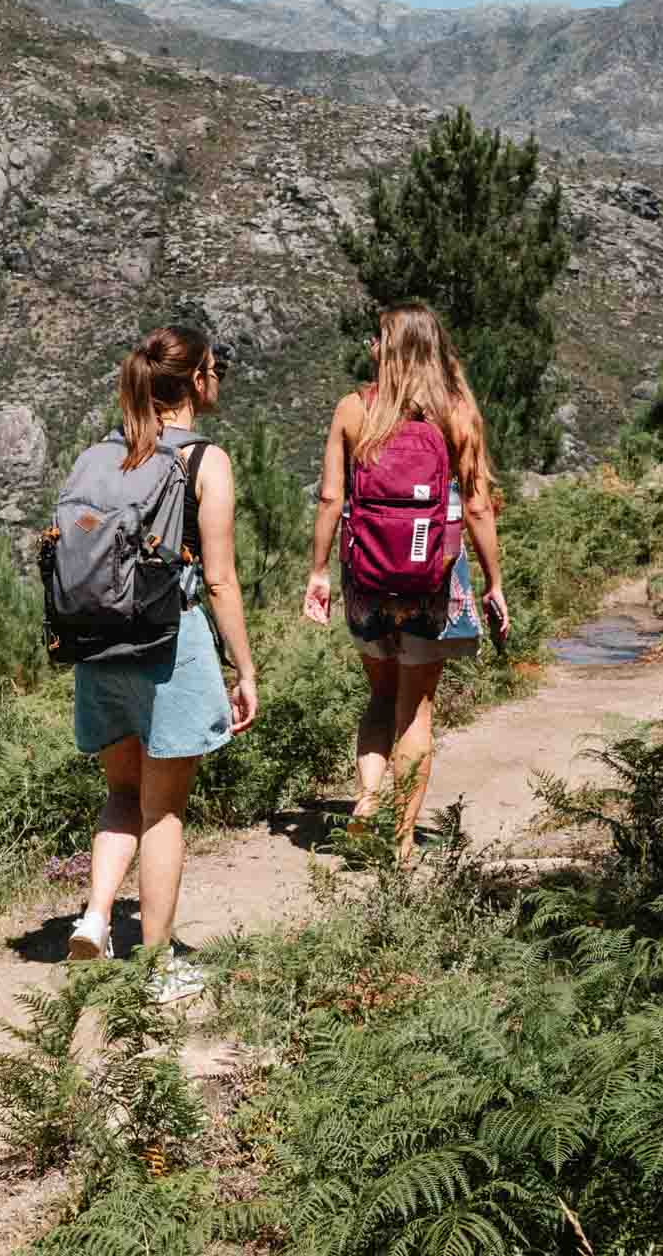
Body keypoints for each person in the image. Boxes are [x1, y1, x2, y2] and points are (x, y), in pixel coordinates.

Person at [64, 326, 259, 1003]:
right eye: (215, 369)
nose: (218, 378)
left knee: (121, 793)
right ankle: (156, 966)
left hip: (98, 645)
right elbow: (221, 581)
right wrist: (245, 670)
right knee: (163, 811)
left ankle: (95, 918)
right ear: (197, 381)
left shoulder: (102, 452)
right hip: (168, 647)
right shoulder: (206, 459)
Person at [302, 301, 509, 867]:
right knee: (415, 707)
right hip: (433, 579)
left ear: (393, 349)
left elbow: (331, 498)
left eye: (378, 338)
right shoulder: (458, 413)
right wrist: (494, 582)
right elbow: (477, 507)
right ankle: (401, 843)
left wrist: (319, 572)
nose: (370, 347)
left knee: (379, 694)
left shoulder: (354, 408)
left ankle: (368, 799)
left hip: (366, 577)